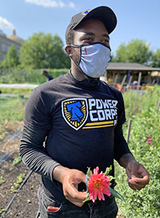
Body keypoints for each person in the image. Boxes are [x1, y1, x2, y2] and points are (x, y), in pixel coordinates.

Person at [20, 6, 149, 218]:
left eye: (105, 41)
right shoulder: (46, 94)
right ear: (69, 50)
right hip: (61, 207)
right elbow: (29, 149)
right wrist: (61, 174)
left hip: (105, 203)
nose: (99, 47)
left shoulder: (114, 95)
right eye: (88, 40)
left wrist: (129, 161)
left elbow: (116, 141)